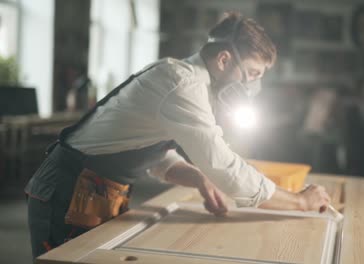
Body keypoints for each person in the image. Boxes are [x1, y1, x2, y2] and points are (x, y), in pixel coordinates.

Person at [25, 12, 330, 260]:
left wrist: (197, 176)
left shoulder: (189, 83)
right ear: (224, 60)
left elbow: (146, 149)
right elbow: (226, 169)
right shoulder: (183, 85)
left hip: (94, 190)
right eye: (251, 74)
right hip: (65, 190)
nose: (252, 87)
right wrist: (300, 202)